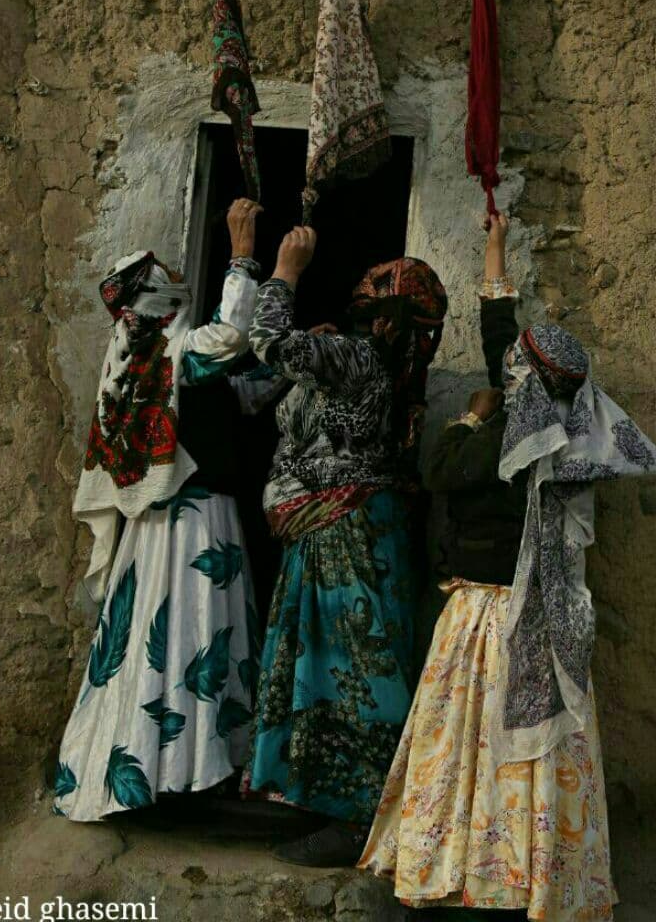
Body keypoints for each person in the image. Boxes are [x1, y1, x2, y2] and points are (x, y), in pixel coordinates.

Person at [359, 213, 656, 919]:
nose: (504, 367)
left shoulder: (499, 441)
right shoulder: (574, 430)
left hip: (490, 618)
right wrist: (494, 252)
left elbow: (440, 471)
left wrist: (469, 417)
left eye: (512, 367)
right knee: (538, 759)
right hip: (551, 616)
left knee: (470, 748)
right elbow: (505, 341)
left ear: (519, 381)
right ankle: (537, 880)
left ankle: (472, 876)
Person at [240, 227, 448, 867]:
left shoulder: (358, 359)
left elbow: (267, 340)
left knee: (354, 670)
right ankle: (329, 799)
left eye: (371, 297)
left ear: (382, 314)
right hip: (350, 529)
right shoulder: (383, 366)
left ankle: (360, 819)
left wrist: (285, 268)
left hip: (343, 537)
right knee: (339, 665)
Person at [54, 200, 267, 821]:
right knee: (190, 633)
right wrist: (244, 256)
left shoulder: (143, 359)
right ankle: (175, 774)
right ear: (153, 298)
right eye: (167, 276)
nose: (179, 276)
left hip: (167, 527)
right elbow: (228, 338)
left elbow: (241, 393)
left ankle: (177, 771)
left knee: (166, 637)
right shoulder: (171, 356)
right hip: (190, 523)